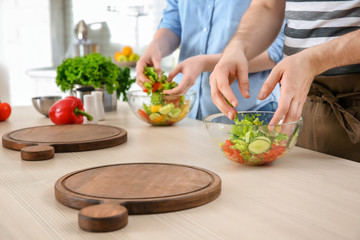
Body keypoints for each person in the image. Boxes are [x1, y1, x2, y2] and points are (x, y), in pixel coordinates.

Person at [209, 0, 360, 161]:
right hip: (299, 103)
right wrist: (237, 48)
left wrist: (315, 60)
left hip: (353, 102)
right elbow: (266, 6)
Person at [136, 0, 285, 120]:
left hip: (248, 112)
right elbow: (172, 23)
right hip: (187, 112)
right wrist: (156, 46)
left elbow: (274, 52)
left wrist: (205, 63)